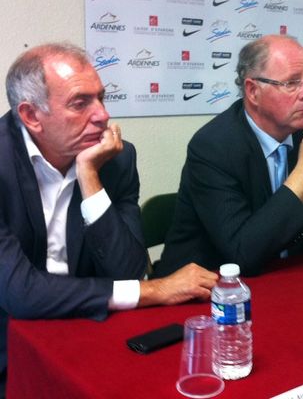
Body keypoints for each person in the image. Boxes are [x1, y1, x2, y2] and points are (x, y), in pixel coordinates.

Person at [0, 43, 218, 396]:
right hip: (12, 346)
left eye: (101, 97)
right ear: (31, 116)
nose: (102, 115)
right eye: (79, 102)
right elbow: (20, 294)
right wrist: (155, 290)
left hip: (91, 330)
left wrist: (89, 174)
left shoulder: (115, 158)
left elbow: (127, 270)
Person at [156, 35, 303, 278]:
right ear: (253, 91)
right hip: (212, 292)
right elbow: (242, 255)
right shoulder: (213, 147)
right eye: (292, 83)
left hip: (287, 278)